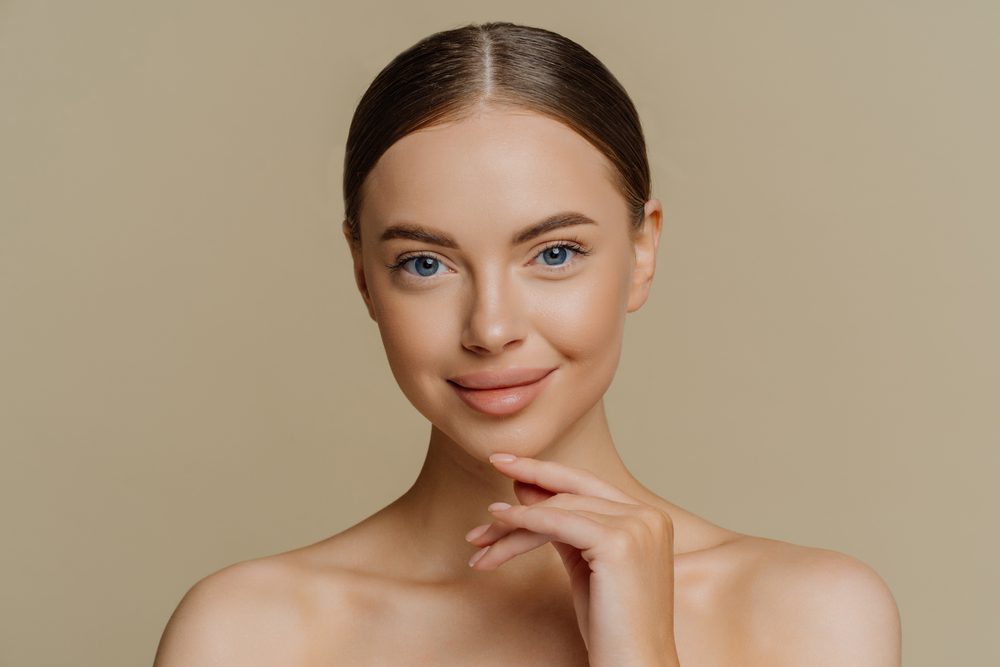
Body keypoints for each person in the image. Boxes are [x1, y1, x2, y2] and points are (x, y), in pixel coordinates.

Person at [153, 21, 901, 666]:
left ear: (643, 253)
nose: (491, 328)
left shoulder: (812, 617)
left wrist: (642, 652)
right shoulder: (249, 633)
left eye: (554, 253)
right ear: (363, 277)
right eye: (425, 263)